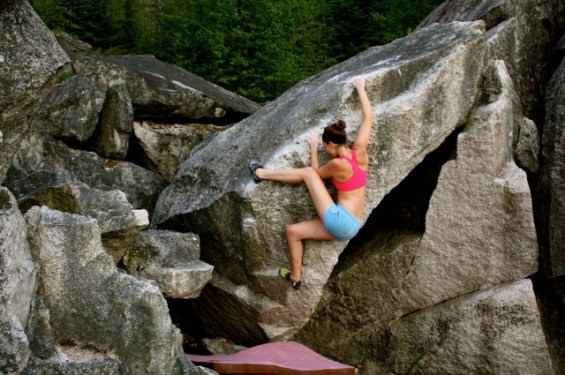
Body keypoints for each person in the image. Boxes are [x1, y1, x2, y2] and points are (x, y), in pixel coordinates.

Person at [249, 78, 374, 290]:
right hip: (352, 227)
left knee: (307, 172)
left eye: (326, 147)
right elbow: (368, 118)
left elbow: (314, 174)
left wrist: (314, 147)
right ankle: (295, 278)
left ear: (332, 144)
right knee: (293, 232)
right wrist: (361, 88)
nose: (325, 150)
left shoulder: (338, 165)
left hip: (340, 220)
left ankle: (260, 173)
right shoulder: (360, 152)